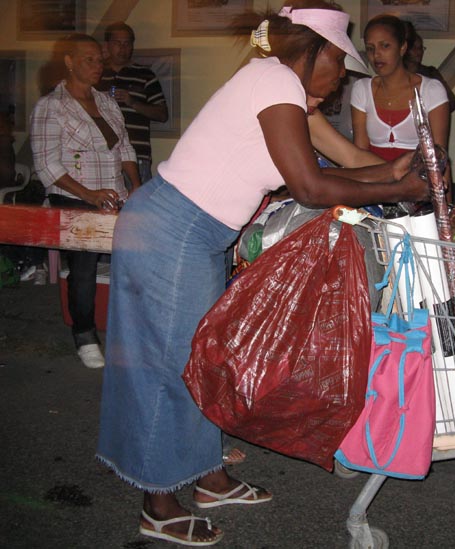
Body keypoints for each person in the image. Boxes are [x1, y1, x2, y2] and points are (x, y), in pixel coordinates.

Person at [96, 2, 429, 546]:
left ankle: (208, 476)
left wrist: (402, 168)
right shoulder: (273, 80)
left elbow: (347, 159)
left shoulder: (287, 93)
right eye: (339, 62)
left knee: (203, 358)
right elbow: (310, 187)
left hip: (192, 232)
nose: (342, 75)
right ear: (314, 51)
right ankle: (159, 501)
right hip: (173, 230)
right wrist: (398, 190)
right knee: (169, 366)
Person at [30, 33, 140, 369]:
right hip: (74, 197)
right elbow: (47, 164)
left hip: (111, 194)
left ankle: (128, 328)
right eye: (89, 59)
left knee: (134, 257)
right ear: (69, 61)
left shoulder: (106, 102)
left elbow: (124, 148)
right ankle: (84, 334)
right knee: (84, 264)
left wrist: (136, 186)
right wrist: (88, 195)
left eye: (100, 60)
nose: (98, 66)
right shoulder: (51, 106)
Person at [351, 14, 450, 162]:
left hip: (418, 182)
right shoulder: (362, 89)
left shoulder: (431, 90)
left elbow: (439, 158)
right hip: (374, 182)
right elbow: (359, 156)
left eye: (385, 46)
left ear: (402, 47)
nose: (376, 55)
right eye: (370, 48)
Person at [97, 21, 168, 184]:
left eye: (127, 43)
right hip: (101, 159)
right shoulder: (96, 74)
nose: (123, 48)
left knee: (136, 209)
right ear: (107, 45)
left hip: (137, 157)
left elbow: (163, 115)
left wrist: (132, 102)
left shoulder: (145, 75)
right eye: (117, 43)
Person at [403, 20, 455, 113]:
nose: (419, 52)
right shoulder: (398, 74)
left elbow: (451, 103)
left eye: (420, 48)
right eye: (414, 48)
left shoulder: (431, 73)